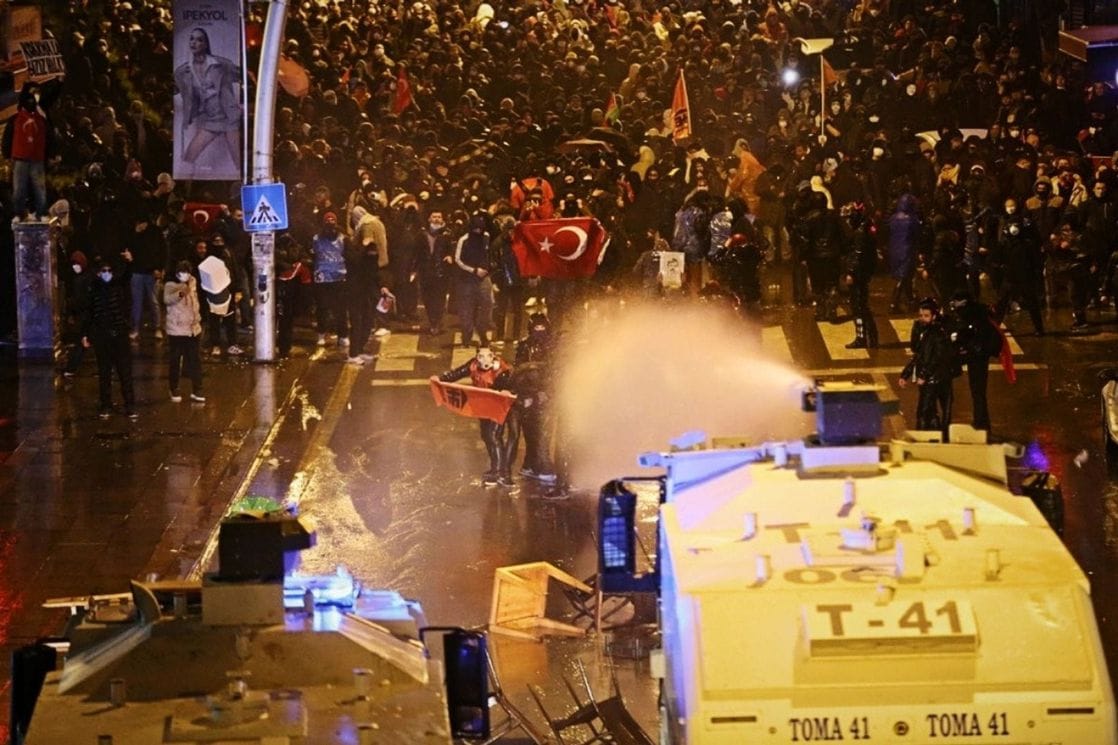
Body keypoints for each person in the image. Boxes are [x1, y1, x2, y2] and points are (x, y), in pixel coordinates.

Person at [439, 345, 517, 487]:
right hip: (483, 407)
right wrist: (441, 379)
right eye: (480, 356)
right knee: (486, 436)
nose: (484, 359)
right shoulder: (473, 365)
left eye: (487, 356)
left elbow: (508, 387)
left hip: (498, 407)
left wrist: (505, 391)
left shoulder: (502, 371)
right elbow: (458, 373)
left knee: (494, 436)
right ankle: (496, 468)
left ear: (493, 356)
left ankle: (500, 472)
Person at [174, 27, 241, 176]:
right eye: (192, 39)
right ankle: (184, 189)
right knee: (189, 156)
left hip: (229, 117)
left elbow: (242, 75)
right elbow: (182, 92)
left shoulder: (220, 64)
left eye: (199, 39)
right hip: (210, 119)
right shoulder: (184, 71)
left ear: (205, 44)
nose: (194, 42)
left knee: (238, 162)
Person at [81, 258, 137, 420]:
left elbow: (127, 276)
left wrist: (128, 262)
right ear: (98, 273)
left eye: (109, 271)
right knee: (104, 372)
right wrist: (85, 334)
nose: (107, 274)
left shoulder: (118, 286)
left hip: (119, 335)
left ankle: (129, 405)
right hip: (102, 336)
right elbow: (89, 314)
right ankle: (106, 404)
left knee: (124, 372)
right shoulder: (93, 289)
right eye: (103, 271)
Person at [899, 298, 956, 441]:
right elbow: (917, 352)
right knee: (930, 411)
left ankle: (926, 439)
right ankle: (936, 436)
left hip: (937, 378)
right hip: (933, 378)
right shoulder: (923, 330)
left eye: (926, 316)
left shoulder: (938, 333)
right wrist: (905, 374)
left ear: (934, 316)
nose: (922, 319)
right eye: (921, 315)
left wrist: (923, 375)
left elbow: (935, 358)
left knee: (926, 412)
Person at [947, 290, 1002, 433]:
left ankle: (981, 424)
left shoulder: (972, 316)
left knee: (978, 391)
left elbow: (971, 338)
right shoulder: (977, 313)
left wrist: (962, 347)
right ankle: (981, 423)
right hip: (978, 356)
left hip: (977, 357)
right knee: (978, 392)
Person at [513, 313, 558, 484]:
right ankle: (539, 464)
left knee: (542, 431)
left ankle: (532, 463)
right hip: (529, 396)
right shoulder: (524, 346)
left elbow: (554, 371)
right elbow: (519, 372)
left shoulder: (553, 346)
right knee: (535, 433)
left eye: (543, 328)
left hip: (546, 395)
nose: (540, 332)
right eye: (536, 328)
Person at [2, 84, 52, 220]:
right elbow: (8, 137)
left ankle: (40, 213)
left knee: (39, 189)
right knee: (19, 190)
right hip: (20, 159)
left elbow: (47, 138)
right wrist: (7, 155)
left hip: (37, 159)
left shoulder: (41, 118)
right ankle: (18, 213)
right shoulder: (15, 119)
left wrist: (48, 155)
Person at [163, 260, 205, 402]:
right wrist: (181, 293)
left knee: (195, 360)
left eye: (187, 272)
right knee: (175, 359)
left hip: (193, 328)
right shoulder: (170, 285)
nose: (184, 275)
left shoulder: (193, 283)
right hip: (177, 329)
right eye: (182, 273)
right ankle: (174, 387)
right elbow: (167, 300)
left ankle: (197, 389)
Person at [453, 213, 495, 347]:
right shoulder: (463, 240)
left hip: (484, 278)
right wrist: (474, 270)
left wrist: (488, 267)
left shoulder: (486, 237)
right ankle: (467, 336)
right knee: (466, 309)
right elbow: (458, 260)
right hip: (467, 280)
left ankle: (482, 332)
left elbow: (489, 253)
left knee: (487, 305)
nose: (478, 232)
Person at [841, 202, 878, 349]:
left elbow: (858, 255)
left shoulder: (860, 233)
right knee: (862, 306)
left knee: (858, 307)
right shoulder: (866, 229)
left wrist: (850, 272)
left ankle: (862, 338)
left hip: (859, 275)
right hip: (864, 273)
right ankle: (871, 338)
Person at [311, 212, 349, 347]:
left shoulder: (342, 238)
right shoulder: (317, 239)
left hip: (339, 276)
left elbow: (347, 255)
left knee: (341, 309)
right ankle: (321, 333)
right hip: (322, 277)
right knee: (322, 307)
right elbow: (313, 254)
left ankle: (343, 335)